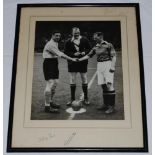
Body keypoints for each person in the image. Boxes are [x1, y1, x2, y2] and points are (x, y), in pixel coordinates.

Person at [78, 32, 116, 114]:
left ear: (100, 37)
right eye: (93, 37)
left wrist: (112, 67)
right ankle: (105, 104)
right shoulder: (96, 46)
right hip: (99, 66)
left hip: (108, 64)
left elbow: (114, 56)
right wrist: (79, 60)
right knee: (103, 85)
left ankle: (111, 107)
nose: (94, 39)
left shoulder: (108, 45)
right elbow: (89, 55)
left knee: (109, 85)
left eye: (95, 37)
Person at [43, 30, 77, 113]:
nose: (58, 37)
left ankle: (50, 101)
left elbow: (58, 54)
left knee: (55, 83)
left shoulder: (55, 43)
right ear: (52, 35)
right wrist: (72, 59)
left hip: (54, 63)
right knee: (50, 83)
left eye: (59, 36)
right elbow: (60, 54)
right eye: (56, 35)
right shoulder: (50, 44)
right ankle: (47, 107)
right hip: (48, 63)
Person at [64, 27, 91, 106]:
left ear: (79, 32)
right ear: (72, 33)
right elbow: (65, 52)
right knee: (72, 80)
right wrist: (73, 54)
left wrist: (84, 52)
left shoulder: (84, 39)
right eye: (75, 33)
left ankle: (86, 98)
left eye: (78, 33)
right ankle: (72, 99)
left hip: (83, 62)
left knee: (84, 78)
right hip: (72, 63)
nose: (76, 34)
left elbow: (90, 49)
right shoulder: (68, 41)